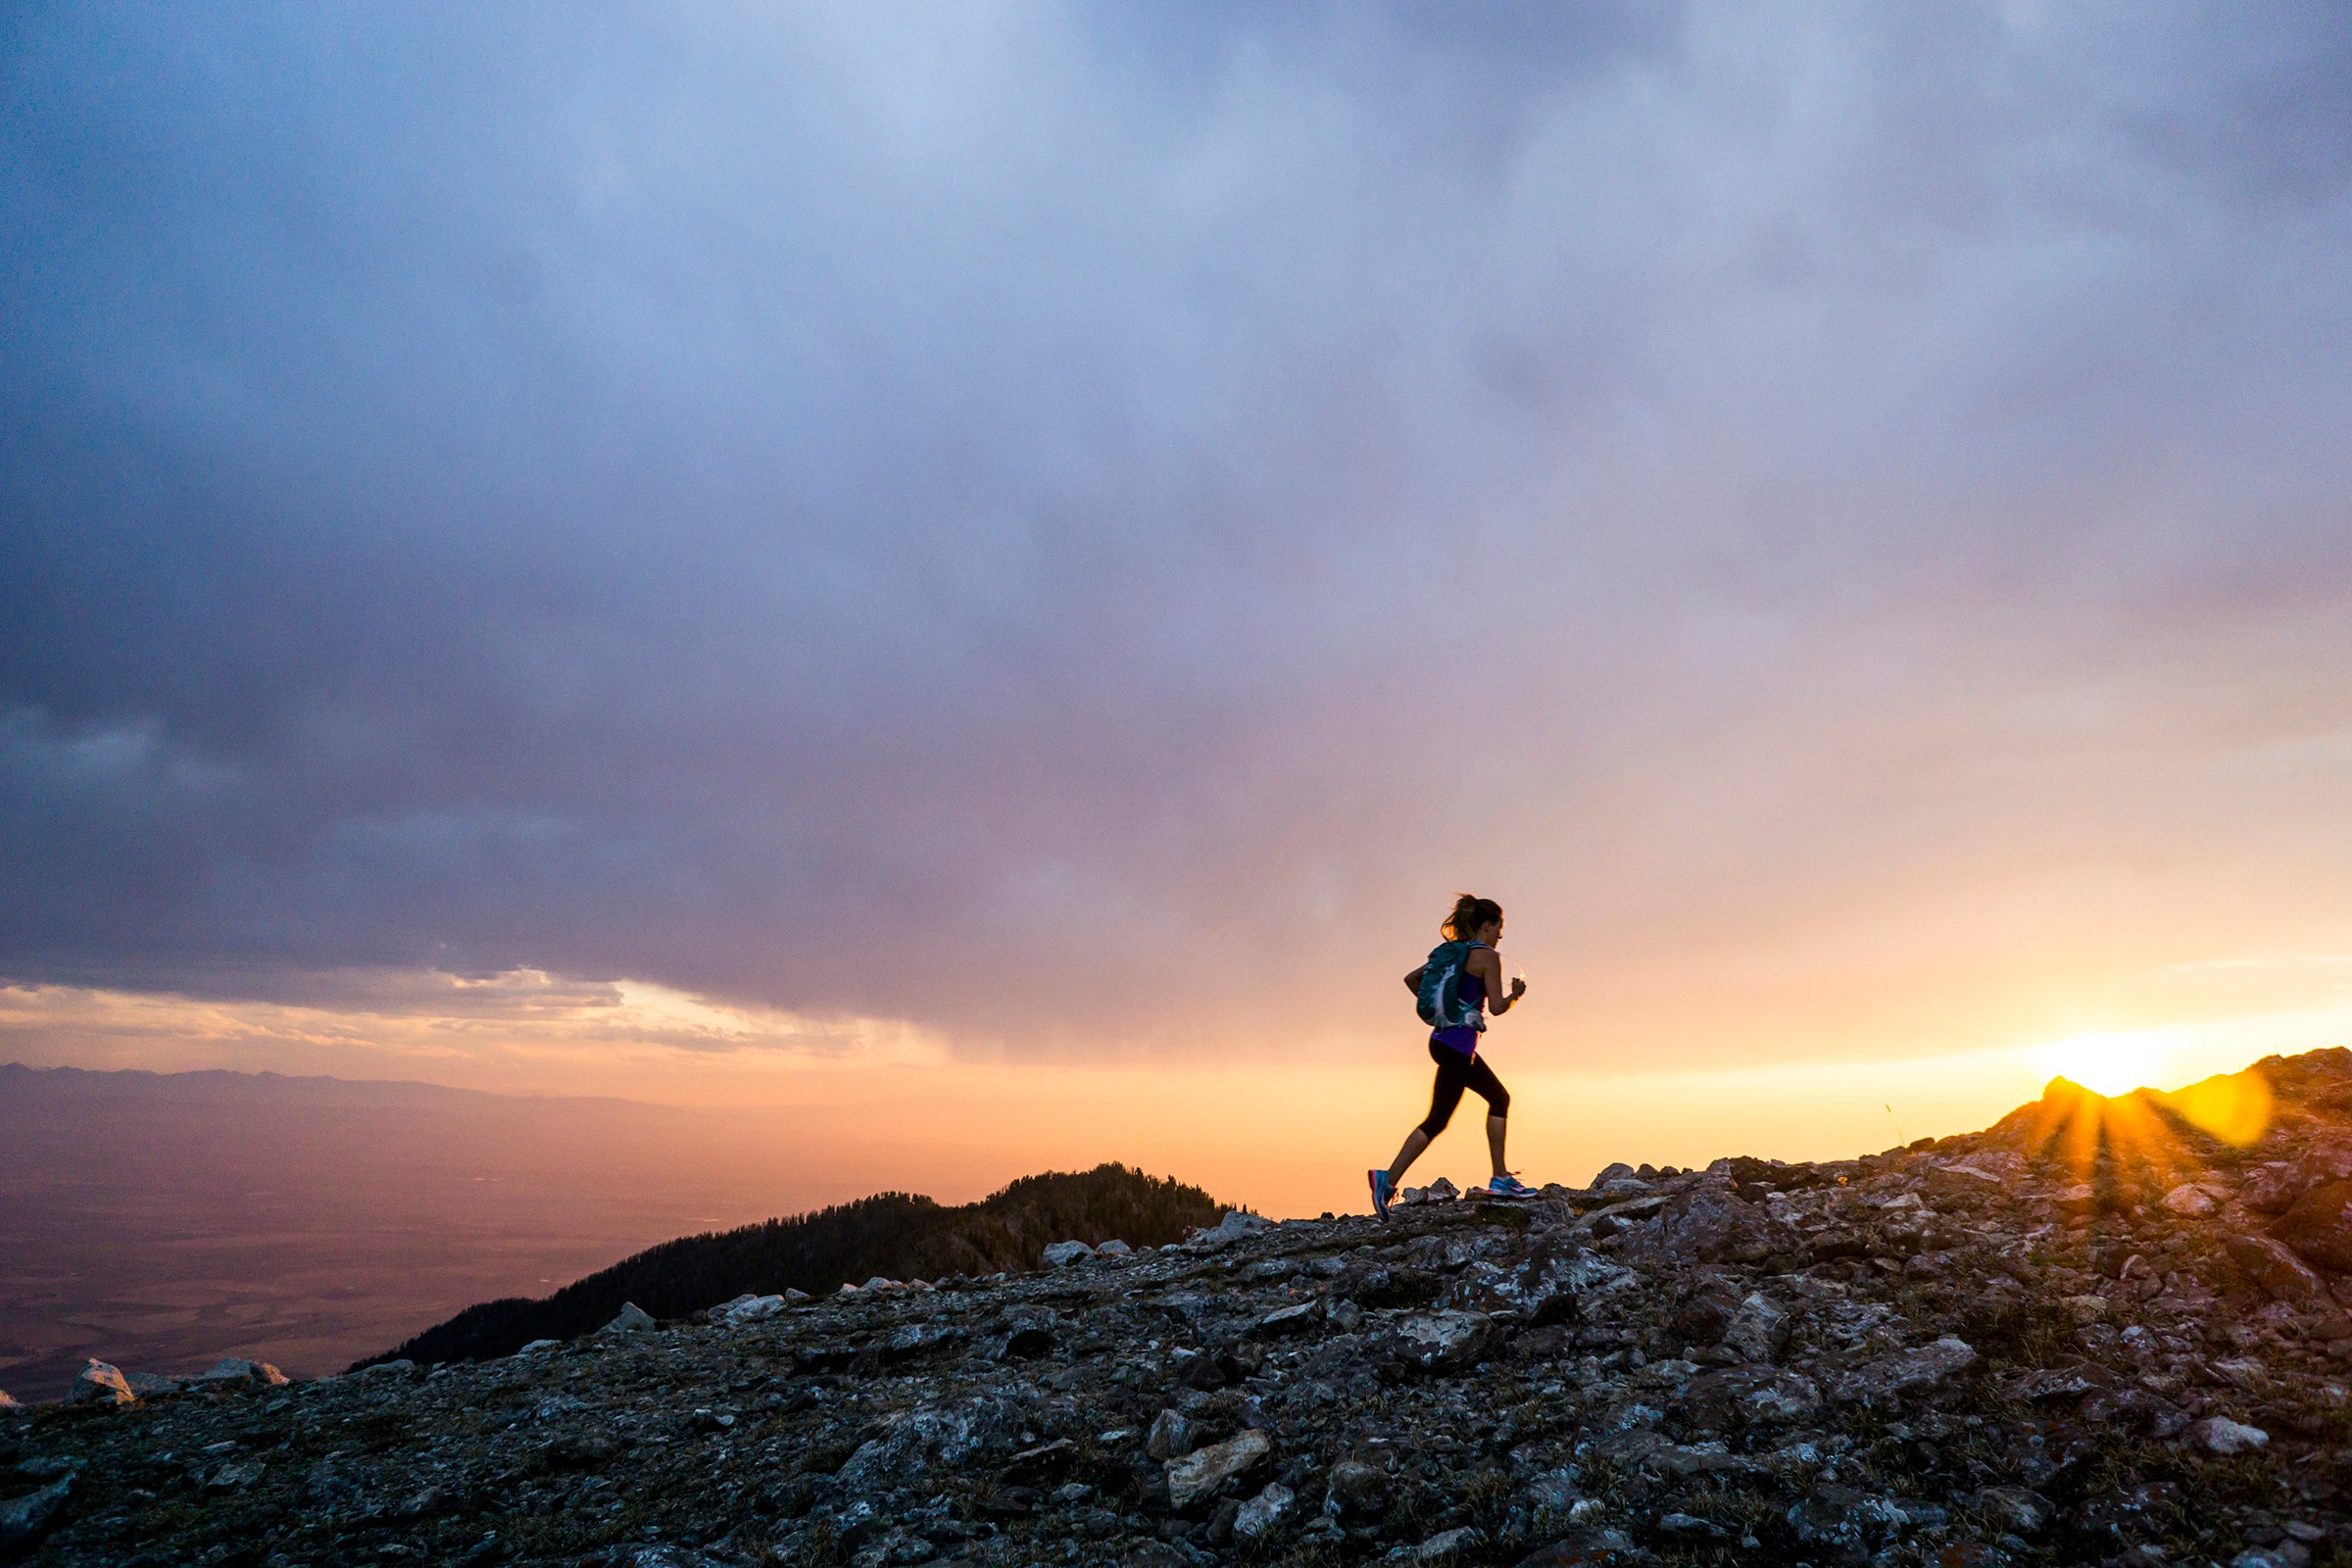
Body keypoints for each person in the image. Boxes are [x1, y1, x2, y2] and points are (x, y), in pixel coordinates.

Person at [1369, 894, 1532, 1217]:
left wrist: (1447, 1011)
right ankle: (1386, 1179)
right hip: (1458, 1047)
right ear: (1487, 925)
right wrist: (1515, 993)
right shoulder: (1488, 957)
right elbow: (1497, 1007)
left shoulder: (1453, 954)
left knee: (1498, 1097)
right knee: (1438, 1120)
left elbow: (1413, 980)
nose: (1501, 934)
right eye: (1499, 927)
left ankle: (1500, 1177)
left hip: (1444, 1040)